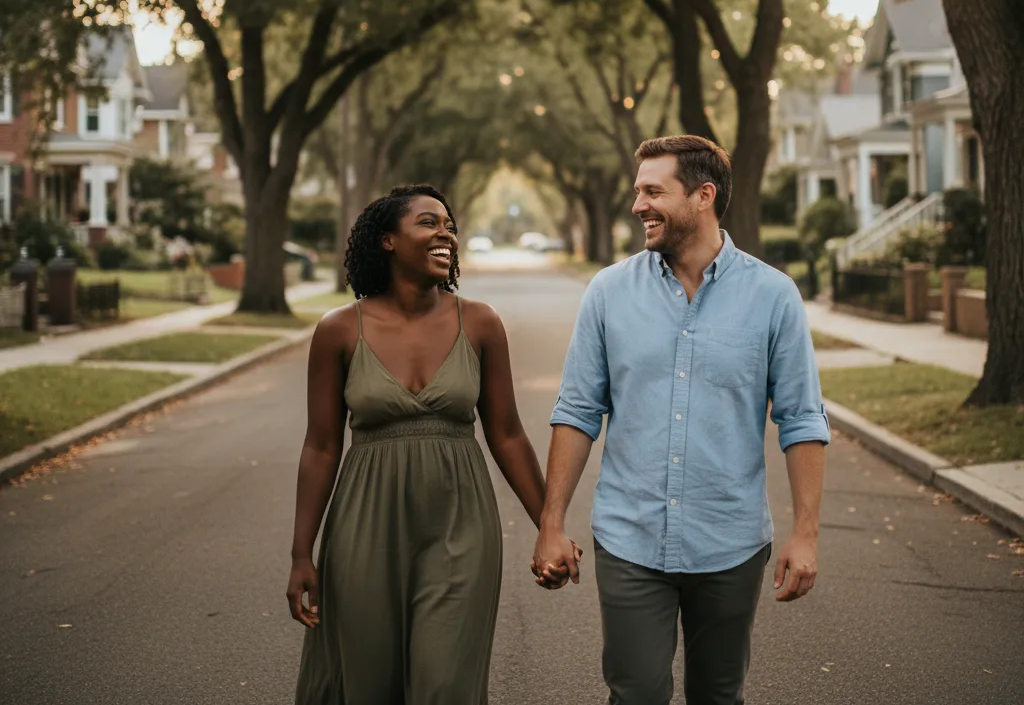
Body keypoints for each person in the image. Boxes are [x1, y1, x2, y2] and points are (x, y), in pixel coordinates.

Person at [532, 135, 830, 705]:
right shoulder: (609, 291)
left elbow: (800, 419)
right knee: (636, 692)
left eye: (653, 191)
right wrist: (551, 522)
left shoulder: (773, 296)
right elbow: (576, 411)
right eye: (637, 191)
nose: (638, 204)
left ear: (703, 196)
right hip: (630, 536)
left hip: (731, 541)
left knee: (718, 695)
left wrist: (805, 533)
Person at [288, 184, 572, 704]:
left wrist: (548, 527)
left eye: (450, 226)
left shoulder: (480, 323)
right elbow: (321, 446)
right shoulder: (338, 331)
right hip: (363, 526)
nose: (445, 234)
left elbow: (506, 433)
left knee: (446, 686)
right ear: (388, 241)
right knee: (369, 684)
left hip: (460, 525)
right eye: (428, 223)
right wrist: (301, 553)